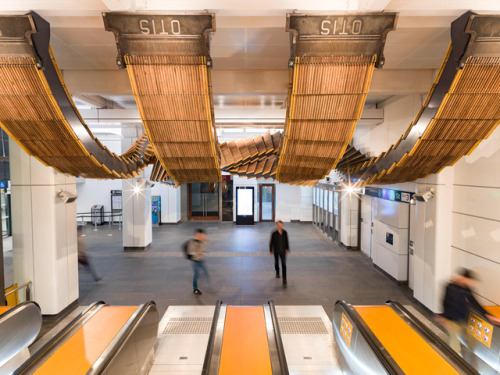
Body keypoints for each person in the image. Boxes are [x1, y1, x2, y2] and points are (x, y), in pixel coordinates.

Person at [441, 268, 500, 355]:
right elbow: (445, 302)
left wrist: (488, 315)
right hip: (452, 320)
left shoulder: (467, 289)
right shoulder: (450, 287)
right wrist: (444, 319)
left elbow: (475, 302)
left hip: (464, 319)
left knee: (470, 342)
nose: (470, 283)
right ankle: (455, 360)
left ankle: (468, 359)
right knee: (455, 343)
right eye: (469, 281)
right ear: (463, 278)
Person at [187, 228, 209, 295]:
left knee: (205, 272)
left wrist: (205, 239)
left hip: (201, 259)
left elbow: (206, 246)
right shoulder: (192, 242)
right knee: (196, 275)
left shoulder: (201, 240)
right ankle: (195, 289)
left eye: (202, 235)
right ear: (197, 234)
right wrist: (198, 252)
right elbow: (190, 252)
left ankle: (204, 281)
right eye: (200, 235)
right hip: (195, 260)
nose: (201, 236)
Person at [269, 220, 289, 286]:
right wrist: (271, 250)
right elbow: (271, 242)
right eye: (278, 225)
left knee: (283, 264)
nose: (280, 226)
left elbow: (286, 241)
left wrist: (287, 249)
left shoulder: (285, 233)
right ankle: (277, 271)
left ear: (282, 225)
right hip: (276, 251)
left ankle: (284, 279)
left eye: (281, 225)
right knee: (276, 262)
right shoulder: (274, 233)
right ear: (277, 225)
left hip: (283, 251)